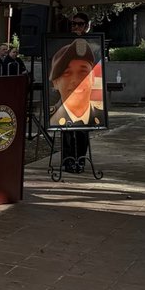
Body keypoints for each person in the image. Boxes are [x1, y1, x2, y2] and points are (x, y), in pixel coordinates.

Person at [59, 13, 95, 173]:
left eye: (79, 24)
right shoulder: (64, 42)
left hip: (84, 92)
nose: (76, 27)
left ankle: (80, 159)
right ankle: (67, 160)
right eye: (73, 24)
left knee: (81, 130)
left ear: (87, 26)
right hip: (67, 92)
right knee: (65, 128)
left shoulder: (94, 42)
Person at [47, 38, 105, 129]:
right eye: (67, 73)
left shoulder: (102, 117)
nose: (76, 80)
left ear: (92, 78)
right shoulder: (50, 118)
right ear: (55, 83)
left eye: (83, 72)